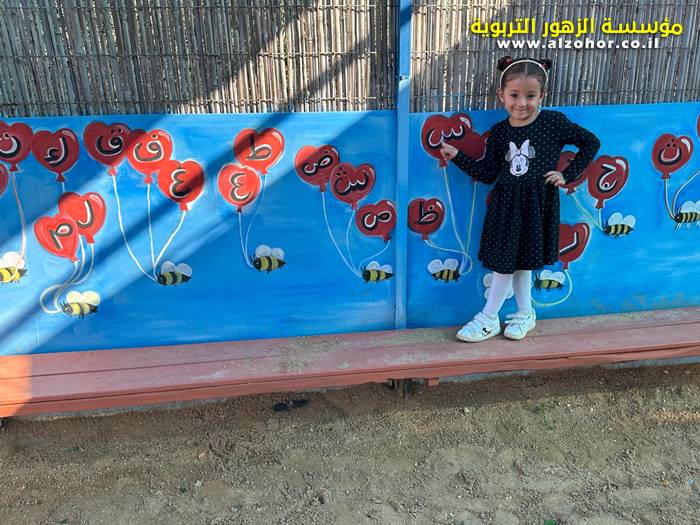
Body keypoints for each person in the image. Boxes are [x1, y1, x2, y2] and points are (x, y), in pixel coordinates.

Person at [440, 56, 600, 342]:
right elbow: (488, 173)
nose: (522, 103)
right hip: (506, 207)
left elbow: (591, 142)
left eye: (530, 96)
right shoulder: (500, 132)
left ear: (542, 96)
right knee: (509, 261)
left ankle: (490, 317)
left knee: (515, 262)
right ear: (501, 95)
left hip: (537, 206)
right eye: (514, 95)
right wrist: (458, 157)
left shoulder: (552, 122)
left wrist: (567, 174)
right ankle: (524, 312)